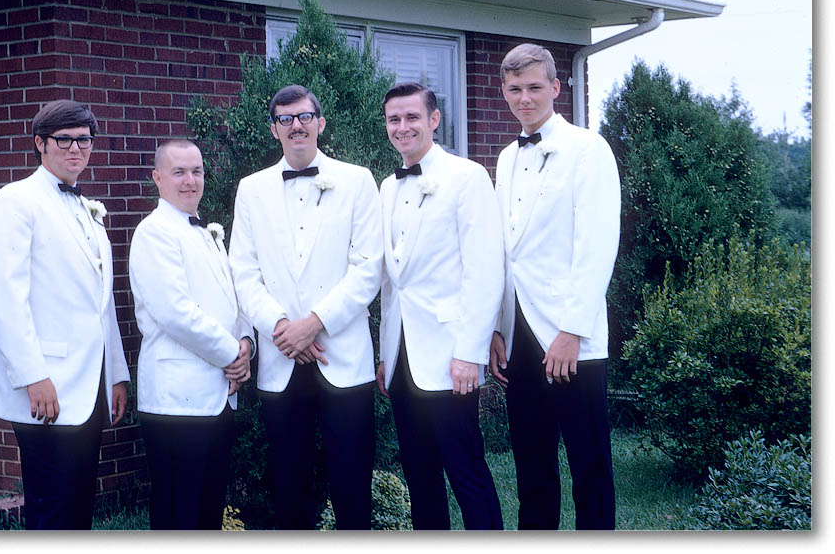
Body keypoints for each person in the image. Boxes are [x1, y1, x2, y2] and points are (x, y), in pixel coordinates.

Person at [228, 84, 383, 529]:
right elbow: (243, 272)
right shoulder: (251, 189)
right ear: (273, 129)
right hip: (281, 360)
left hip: (342, 357)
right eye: (285, 118)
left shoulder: (357, 181)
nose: (296, 125)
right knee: (289, 485)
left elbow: (368, 268)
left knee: (352, 484)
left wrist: (313, 324)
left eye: (304, 116)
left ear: (320, 122)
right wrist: (283, 329)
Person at [0, 99, 130, 530]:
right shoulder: (14, 202)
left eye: (84, 140)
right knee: (51, 511)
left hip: (88, 387)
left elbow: (103, 303)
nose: (76, 149)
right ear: (40, 143)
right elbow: (3, 299)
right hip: (46, 388)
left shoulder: (88, 211)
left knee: (80, 507)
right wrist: (32, 375)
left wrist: (114, 375)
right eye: (64, 140)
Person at [489, 43, 620, 530]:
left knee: (590, 467)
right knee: (532, 463)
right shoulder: (504, 158)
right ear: (503, 91)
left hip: (572, 337)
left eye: (535, 88)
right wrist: (497, 328)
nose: (525, 98)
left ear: (556, 88)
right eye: (515, 89)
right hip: (520, 335)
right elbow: (507, 254)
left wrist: (571, 330)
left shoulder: (589, 148)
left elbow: (596, 245)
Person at [377, 81, 504, 530]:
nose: (403, 126)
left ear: (434, 119)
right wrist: (385, 354)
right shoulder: (387, 188)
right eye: (394, 119)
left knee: (466, 471)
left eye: (412, 117)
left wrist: (469, 352)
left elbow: (485, 272)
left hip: (452, 358)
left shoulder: (466, 177)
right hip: (403, 360)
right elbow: (393, 284)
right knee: (419, 477)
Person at [128, 139, 253, 530]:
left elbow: (233, 300)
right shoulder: (154, 233)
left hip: (217, 397)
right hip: (175, 403)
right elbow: (175, 312)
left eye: (196, 171)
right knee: (176, 515)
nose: (189, 180)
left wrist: (246, 342)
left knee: (207, 514)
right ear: (157, 178)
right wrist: (233, 354)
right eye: (179, 172)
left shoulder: (207, 232)